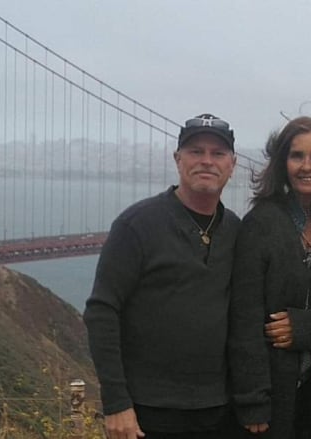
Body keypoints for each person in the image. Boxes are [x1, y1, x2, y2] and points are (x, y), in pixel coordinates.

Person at [83, 113, 240, 439]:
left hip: (220, 409)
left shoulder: (237, 231)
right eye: (196, 151)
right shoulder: (136, 224)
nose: (207, 161)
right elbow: (102, 311)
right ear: (177, 158)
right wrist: (116, 403)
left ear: (233, 164)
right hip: (146, 411)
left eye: (217, 153)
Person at [228, 116, 311, 438]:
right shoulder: (261, 223)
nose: (307, 166)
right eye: (297, 156)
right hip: (272, 397)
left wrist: (308, 326)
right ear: (282, 162)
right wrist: (252, 403)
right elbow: (244, 318)